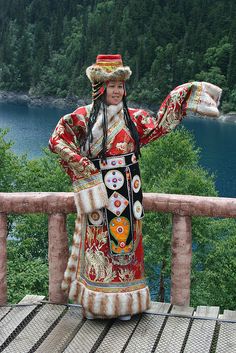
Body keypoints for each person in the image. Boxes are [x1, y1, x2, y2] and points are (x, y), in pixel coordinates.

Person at [49, 54, 221, 319]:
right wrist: (86, 172)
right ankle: (97, 304)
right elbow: (57, 142)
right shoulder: (82, 117)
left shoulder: (134, 118)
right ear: (99, 87)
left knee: (127, 244)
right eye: (111, 85)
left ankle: (126, 303)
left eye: (120, 86)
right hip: (100, 191)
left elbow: (161, 125)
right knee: (100, 245)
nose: (117, 91)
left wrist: (187, 94)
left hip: (129, 192)